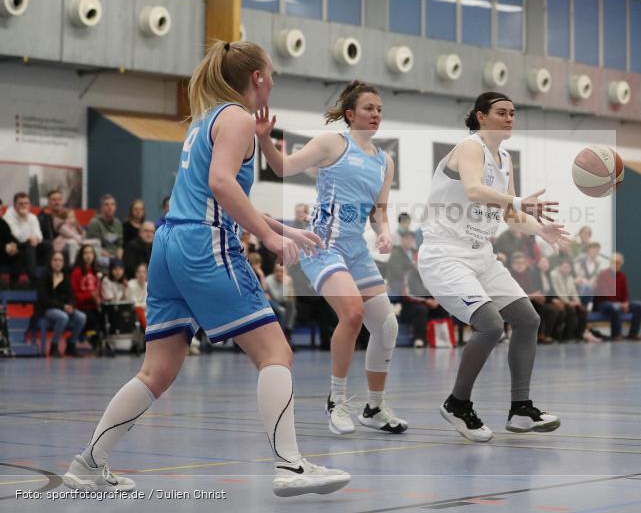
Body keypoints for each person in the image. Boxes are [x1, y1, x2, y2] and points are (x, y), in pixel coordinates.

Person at [62, 40, 349, 497]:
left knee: (157, 371)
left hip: (171, 243)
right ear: (257, 78)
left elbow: (213, 193)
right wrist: (270, 238)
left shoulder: (209, 120)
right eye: (271, 72)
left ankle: (87, 464)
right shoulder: (234, 117)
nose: (274, 79)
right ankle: (291, 466)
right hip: (203, 244)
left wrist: (281, 227)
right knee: (275, 353)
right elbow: (219, 186)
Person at [255, 80, 407, 435]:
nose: (376, 114)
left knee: (387, 326)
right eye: (369, 108)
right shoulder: (331, 143)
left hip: (356, 250)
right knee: (352, 313)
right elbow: (282, 167)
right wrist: (264, 138)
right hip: (321, 245)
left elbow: (379, 211)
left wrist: (384, 231)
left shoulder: (386, 161)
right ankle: (337, 401)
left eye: (380, 109)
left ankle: (375, 407)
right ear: (351, 114)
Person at [417, 91, 569, 442]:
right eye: (502, 112)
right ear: (480, 116)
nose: (509, 118)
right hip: (445, 254)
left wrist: (540, 230)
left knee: (528, 319)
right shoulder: (471, 147)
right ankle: (457, 403)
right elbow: (472, 189)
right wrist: (516, 201)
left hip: (480, 255)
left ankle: (520, 409)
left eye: (513, 113)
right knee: (489, 325)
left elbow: (511, 216)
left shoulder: (505, 159)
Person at [37, 251, 87, 358]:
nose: (58, 263)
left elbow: (71, 295)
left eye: (60, 260)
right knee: (63, 317)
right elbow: (43, 299)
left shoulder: (65, 276)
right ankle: (54, 347)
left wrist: (72, 306)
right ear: (50, 261)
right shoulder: (43, 276)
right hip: (47, 308)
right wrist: (63, 307)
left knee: (81, 317)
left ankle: (71, 345)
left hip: (63, 307)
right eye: (55, 260)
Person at [593, 253, 641, 341]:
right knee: (615, 307)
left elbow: (625, 292)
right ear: (610, 262)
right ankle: (616, 335)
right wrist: (620, 304)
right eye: (614, 262)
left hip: (619, 303)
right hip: (603, 303)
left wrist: (625, 303)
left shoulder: (622, 276)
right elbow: (605, 293)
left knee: (639, 306)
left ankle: (633, 334)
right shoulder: (603, 274)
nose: (616, 264)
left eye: (619, 263)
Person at [2, 192, 42, 285]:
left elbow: (40, 235)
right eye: (21, 203)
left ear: (30, 205)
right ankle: (32, 277)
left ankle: (47, 278)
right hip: (12, 248)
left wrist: (35, 238)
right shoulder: (8, 218)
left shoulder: (33, 217)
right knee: (28, 245)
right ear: (15, 205)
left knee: (47, 245)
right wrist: (24, 219)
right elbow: (19, 238)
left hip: (30, 247)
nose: (24, 206)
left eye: (26, 203)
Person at [87, 195, 124, 266]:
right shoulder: (95, 223)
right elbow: (93, 245)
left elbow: (120, 244)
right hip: (100, 255)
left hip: (115, 256)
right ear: (101, 208)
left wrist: (120, 251)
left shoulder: (118, 223)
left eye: (112, 204)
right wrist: (105, 253)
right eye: (106, 204)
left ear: (115, 208)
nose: (110, 207)